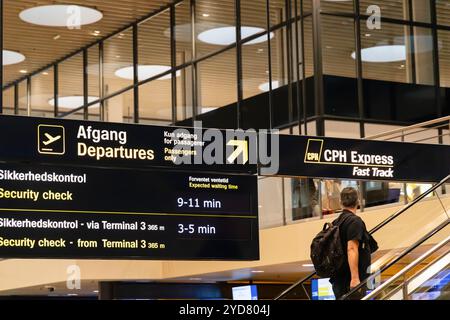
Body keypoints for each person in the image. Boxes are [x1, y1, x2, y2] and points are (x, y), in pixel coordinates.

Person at [329, 187, 375, 300]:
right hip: (350, 281)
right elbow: (352, 248)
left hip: (339, 279)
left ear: (340, 203)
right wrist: (355, 278)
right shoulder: (355, 221)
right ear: (358, 202)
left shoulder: (335, 223)